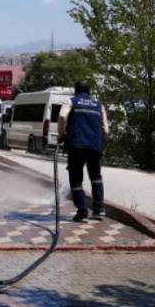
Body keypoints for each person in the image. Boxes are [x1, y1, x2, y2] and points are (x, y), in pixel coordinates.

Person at [57, 80, 110, 222]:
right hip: (95, 146)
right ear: (89, 91)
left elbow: (62, 116)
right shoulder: (99, 106)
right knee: (96, 177)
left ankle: (82, 212)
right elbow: (106, 129)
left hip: (76, 145)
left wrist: (61, 136)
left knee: (76, 179)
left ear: (76, 90)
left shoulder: (70, 101)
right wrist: (99, 137)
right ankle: (99, 209)